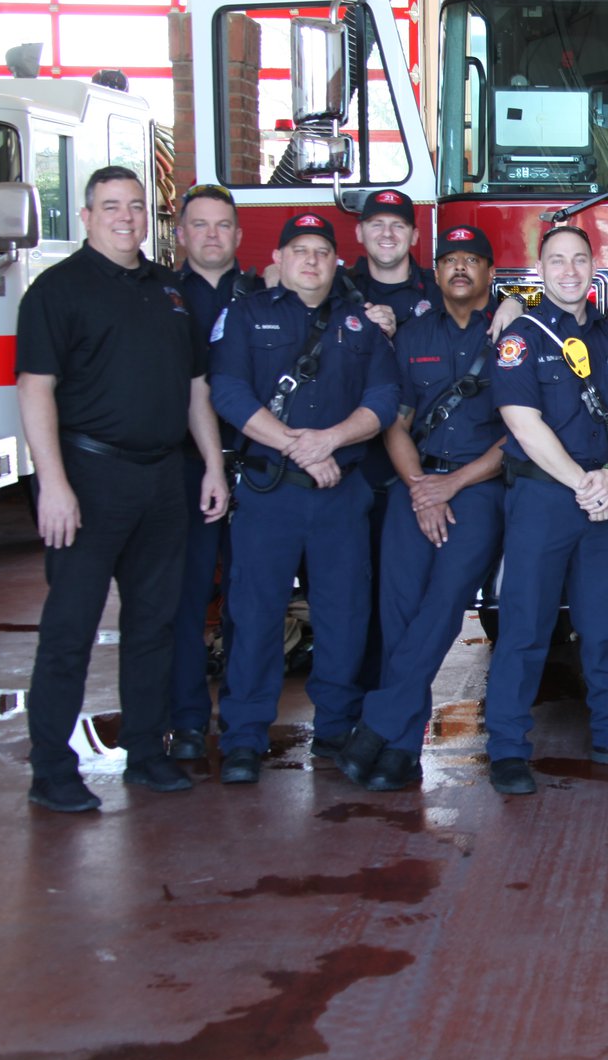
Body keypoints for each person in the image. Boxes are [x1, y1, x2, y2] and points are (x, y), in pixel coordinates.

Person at [15, 166, 228, 812]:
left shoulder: (168, 291)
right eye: (111, 207)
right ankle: (51, 768)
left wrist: (213, 466)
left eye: (136, 207)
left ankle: (146, 751)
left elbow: (196, 388)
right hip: (87, 477)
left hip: (164, 477)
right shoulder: (56, 291)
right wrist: (52, 484)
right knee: (70, 629)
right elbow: (34, 389)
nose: (126, 218)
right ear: (86, 216)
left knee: (154, 625)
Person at [209, 212, 400, 785]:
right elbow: (228, 391)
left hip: (340, 496)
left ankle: (336, 727)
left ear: (337, 261)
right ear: (280, 259)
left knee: (344, 619)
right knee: (256, 616)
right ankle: (243, 737)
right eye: (300, 251)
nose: (312, 260)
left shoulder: (361, 325)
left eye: (322, 251)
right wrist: (299, 447)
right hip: (269, 493)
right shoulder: (245, 316)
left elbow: (385, 399)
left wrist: (331, 441)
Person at [482, 225, 608, 796]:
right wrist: (582, 481)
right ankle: (507, 747)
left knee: (606, 626)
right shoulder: (520, 338)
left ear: (594, 266)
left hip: (603, 496)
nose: (570, 271)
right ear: (541, 268)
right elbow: (521, 422)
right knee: (526, 627)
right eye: (558, 261)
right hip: (545, 499)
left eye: (580, 260)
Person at [338, 224, 509, 792]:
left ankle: (378, 724)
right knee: (399, 613)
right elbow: (396, 422)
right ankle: (402, 749)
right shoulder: (411, 336)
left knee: (443, 604)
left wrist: (452, 484)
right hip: (414, 485)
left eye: (472, 260)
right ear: (434, 274)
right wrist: (419, 486)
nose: (460, 269)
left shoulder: (514, 334)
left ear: (490, 271)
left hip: (479, 489)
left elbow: (519, 434)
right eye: (450, 261)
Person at [163, 183, 255, 761]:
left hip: (259, 467)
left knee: (252, 602)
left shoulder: (269, 292)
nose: (213, 235)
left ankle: (243, 722)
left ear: (239, 235)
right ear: (180, 234)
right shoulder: (159, 295)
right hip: (186, 468)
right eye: (200, 225)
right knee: (188, 598)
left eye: (223, 225)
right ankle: (190, 719)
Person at [344, 189, 427, 694]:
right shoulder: (333, 289)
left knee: (401, 598)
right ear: (359, 232)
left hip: (410, 474)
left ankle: (389, 707)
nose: (387, 233)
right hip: (346, 469)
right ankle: (345, 714)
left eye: (398, 225)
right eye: (376, 223)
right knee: (345, 596)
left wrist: (505, 307)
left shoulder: (436, 293)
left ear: (415, 235)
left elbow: (481, 309)